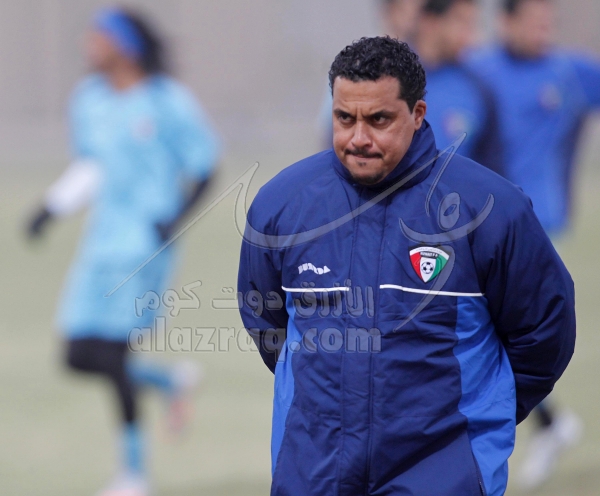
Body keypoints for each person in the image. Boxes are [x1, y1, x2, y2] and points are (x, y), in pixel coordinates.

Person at [238, 36, 575, 495]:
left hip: (444, 475)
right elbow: (267, 324)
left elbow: (544, 333)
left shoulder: (491, 209)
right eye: (345, 118)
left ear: (417, 114)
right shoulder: (282, 206)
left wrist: (481, 412)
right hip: (313, 472)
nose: (359, 138)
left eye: (378, 119)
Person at [27, 7, 220, 496]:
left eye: (99, 38)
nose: (88, 47)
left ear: (125, 46)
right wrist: (50, 208)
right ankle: (169, 383)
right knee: (76, 354)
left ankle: (133, 474)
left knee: (114, 352)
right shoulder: (88, 100)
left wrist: (174, 218)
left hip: (143, 246)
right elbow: (92, 168)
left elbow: (205, 165)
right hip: (100, 243)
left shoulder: (167, 101)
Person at [467, 0, 596, 487]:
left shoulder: (570, 73)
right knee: (492, 328)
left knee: (502, 327)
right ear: (505, 22)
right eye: (533, 21)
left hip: (540, 221)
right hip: (486, 221)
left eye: (548, 22)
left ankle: (542, 426)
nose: (543, 30)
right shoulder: (479, 71)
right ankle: (549, 424)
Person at [415, 0, 503, 174]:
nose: (469, 37)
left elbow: (491, 170)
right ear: (430, 22)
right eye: (461, 22)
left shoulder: (479, 91)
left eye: (471, 24)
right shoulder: (390, 79)